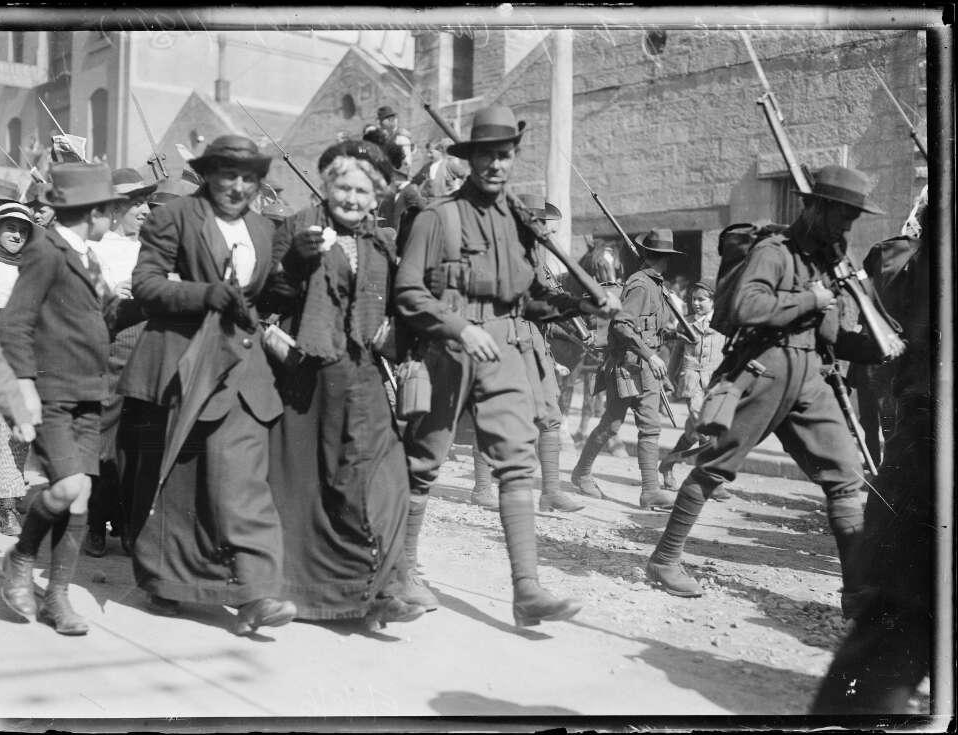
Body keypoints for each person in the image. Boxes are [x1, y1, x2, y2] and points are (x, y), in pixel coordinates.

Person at [393, 104, 621, 625]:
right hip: (446, 345)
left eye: (506, 155)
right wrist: (460, 328)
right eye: (487, 156)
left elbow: (530, 300)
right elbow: (406, 293)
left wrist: (583, 305)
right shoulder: (437, 217)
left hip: (504, 348)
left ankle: (527, 590)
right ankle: (402, 570)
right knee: (424, 461)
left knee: (518, 461)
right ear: (469, 159)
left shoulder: (518, 224)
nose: (497, 165)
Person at [645, 165, 904, 602]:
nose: (847, 224)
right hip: (763, 370)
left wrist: (876, 348)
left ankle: (858, 591)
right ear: (816, 207)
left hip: (810, 378)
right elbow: (748, 306)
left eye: (853, 217)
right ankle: (665, 559)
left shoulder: (826, 261)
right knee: (715, 467)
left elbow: (830, 336)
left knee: (845, 476)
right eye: (842, 214)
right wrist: (812, 298)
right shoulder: (775, 251)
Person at [117, 135, 297, 637]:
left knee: (242, 477)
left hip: (242, 368)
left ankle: (258, 591)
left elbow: (268, 293)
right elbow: (148, 285)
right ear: (207, 175)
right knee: (178, 477)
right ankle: (168, 582)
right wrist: (203, 294)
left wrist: (298, 267)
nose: (237, 186)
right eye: (227, 175)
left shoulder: (263, 229)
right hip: (184, 363)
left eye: (248, 178)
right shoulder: (173, 217)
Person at [261, 139, 424, 627]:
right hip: (310, 372)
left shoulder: (383, 241)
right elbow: (271, 292)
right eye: (343, 188)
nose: (352, 199)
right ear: (328, 186)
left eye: (362, 191)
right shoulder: (298, 226)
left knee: (385, 476)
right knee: (313, 485)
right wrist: (296, 264)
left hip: (366, 371)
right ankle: (315, 595)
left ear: (376, 197)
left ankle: (384, 586)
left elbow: (400, 300)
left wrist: (395, 329)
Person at [0, 162, 142, 635]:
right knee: (67, 488)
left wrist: (152, 297)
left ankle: (57, 598)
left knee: (79, 499)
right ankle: (20, 558)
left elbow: (104, 316)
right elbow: (15, 322)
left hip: (87, 393)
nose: (116, 217)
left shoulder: (87, 256)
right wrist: (23, 384)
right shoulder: (47, 250)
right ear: (93, 212)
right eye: (112, 210)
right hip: (53, 391)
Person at [811, 186, 932, 713]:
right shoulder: (905, 259)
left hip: (916, 407)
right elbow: (885, 322)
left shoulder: (911, 257)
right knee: (901, 612)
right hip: (923, 417)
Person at [469, 195, 585, 514]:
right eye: (547, 228)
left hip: (535, 345)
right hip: (506, 341)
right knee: (495, 414)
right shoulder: (505, 256)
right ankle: (481, 488)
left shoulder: (539, 261)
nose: (551, 237)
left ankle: (550, 491)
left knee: (551, 416)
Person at [571, 229, 688, 509]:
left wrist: (671, 337)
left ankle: (588, 474)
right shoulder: (641, 285)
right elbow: (622, 325)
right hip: (631, 366)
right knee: (629, 426)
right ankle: (644, 489)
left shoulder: (654, 284)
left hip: (640, 364)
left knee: (622, 424)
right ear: (665, 259)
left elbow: (646, 327)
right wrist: (650, 355)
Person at [79, 168, 159, 558]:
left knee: (139, 441)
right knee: (103, 437)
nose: (143, 210)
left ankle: (129, 525)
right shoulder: (98, 246)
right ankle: (96, 522)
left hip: (149, 346)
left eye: (146, 202)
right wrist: (114, 292)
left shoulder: (153, 246)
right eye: (135, 203)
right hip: (110, 345)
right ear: (114, 208)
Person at [0, 203, 45, 534]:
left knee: (12, 437)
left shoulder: (33, 272)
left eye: (23, 230)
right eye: (10, 227)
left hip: (15, 367)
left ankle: (7, 506)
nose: (16, 234)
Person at [658, 279, 731, 500]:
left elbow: (729, 355)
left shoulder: (724, 324)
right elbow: (676, 357)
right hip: (692, 381)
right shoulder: (685, 323)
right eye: (694, 299)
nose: (696, 303)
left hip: (715, 383)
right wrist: (667, 381)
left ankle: (667, 464)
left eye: (702, 299)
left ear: (714, 301)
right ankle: (711, 482)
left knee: (694, 431)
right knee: (705, 426)